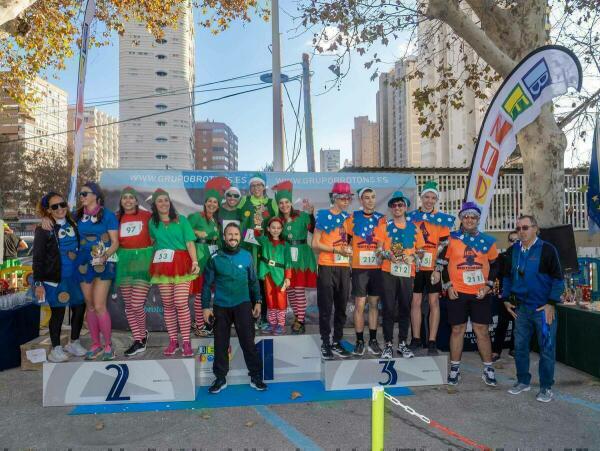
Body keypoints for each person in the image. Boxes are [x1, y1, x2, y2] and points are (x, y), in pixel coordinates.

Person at [433, 202, 499, 386]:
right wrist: (447, 285)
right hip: (458, 292)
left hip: (480, 293)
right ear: (461, 219)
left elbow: (496, 265)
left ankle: (488, 369)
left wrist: (488, 286)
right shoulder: (452, 239)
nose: (469, 220)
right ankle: (455, 369)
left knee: (482, 331)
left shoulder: (487, 240)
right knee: (457, 330)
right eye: (466, 217)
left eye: (473, 217)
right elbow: (441, 263)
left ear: (478, 220)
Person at [502, 215, 564, 403]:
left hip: (542, 310)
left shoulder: (547, 249)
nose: (521, 231)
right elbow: (506, 277)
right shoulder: (514, 250)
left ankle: (546, 387)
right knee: (520, 347)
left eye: (525, 228)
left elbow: (558, 279)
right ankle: (523, 381)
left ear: (535, 229)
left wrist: (551, 303)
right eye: (518, 228)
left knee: (546, 348)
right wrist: (506, 299)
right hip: (521, 310)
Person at [202, 222, 267, 394]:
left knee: (248, 342)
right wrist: (205, 308)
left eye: (236, 235)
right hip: (221, 306)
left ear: (240, 237)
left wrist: (258, 301)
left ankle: (256, 376)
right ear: (224, 237)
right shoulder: (214, 258)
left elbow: (253, 282)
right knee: (220, 344)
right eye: (229, 234)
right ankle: (220, 378)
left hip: (243, 304)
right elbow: (207, 285)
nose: (233, 237)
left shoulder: (246, 256)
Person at [33, 191, 86, 362]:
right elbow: (38, 257)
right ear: (48, 210)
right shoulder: (44, 229)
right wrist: (38, 283)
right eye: (54, 206)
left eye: (62, 204)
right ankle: (56, 348)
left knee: (79, 308)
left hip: (75, 277)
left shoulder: (73, 222)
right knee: (58, 312)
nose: (60, 208)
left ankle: (74, 342)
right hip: (55, 278)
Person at [148, 188, 200, 357]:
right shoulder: (152, 223)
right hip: (162, 265)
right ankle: (173, 341)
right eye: (159, 201)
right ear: (155, 205)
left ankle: (186, 341)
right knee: (168, 304)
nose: (163, 203)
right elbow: (153, 242)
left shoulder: (182, 220)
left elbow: (190, 243)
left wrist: (195, 262)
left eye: (166, 200)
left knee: (180, 302)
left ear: (170, 203)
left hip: (181, 264)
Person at [375, 191, 425, 359]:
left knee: (405, 308)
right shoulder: (383, 227)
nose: (397, 208)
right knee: (388, 308)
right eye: (394, 205)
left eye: (400, 205)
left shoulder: (415, 228)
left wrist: (413, 257)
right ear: (390, 208)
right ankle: (388, 344)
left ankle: (402, 343)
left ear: (405, 207)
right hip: (388, 272)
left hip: (407, 272)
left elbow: (421, 251)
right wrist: (388, 255)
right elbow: (378, 251)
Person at [407, 180, 455, 355]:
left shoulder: (441, 219)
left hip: (433, 267)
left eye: (432, 198)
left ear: (436, 200)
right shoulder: (410, 217)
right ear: (421, 198)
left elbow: (444, 245)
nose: (429, 200)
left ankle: (432, 340)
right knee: (416, 302)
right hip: (415, 266)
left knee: (434, 302)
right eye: (426, 197)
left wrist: (438, 268)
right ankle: (416, 339)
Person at [75, 182, 119, 361]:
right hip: (83, 263)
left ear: (96, 196)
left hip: (103, 263)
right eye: (80, 193)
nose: (82, 196)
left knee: (99, 305)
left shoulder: (107, 215)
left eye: (85, 193)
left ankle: (108, 345)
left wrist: (105, 256)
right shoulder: (76, 215)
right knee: (90, 305)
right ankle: (95, 345)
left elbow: (115, 242)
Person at [313, 182, 353, 359]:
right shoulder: (323, 216)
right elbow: (315, 244)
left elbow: (350, 241)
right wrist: (336, 250)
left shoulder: (349, 219)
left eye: (348, 198)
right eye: (343, 198)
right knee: (326, 307)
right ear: (334, 198)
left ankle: (337, 341)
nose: (346, 201)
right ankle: (325, 342)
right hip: (327, 265)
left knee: (342, 307)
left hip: (344, 267)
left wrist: (349, 250)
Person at [344, 187, 386, 356]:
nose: (370, 200)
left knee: (374, 304)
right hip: (360, 268)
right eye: (366, 198)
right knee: (360, 305)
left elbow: (383, 241)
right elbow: (345, 241)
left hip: (376, 267)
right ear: (361, 200)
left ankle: (373, 340)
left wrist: (381, 250)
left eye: (373, 197)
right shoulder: (352, 218)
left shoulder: (381, 219)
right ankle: (360, 340)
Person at [273, 181, 317, 334]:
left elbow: (313, 228)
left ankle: (301, 320)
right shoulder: (278, 221)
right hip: (286, 256)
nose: (284, 205)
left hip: (301, 255)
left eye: (286, 202)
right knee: (290, 289)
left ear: (291, 203)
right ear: (278, 205)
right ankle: (298, 317)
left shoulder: (301, 215)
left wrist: (311, 214)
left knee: (298, 289)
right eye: (281, 203)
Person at [188, 177, 229, 337]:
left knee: (205, 293)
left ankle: (200, 321)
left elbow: (218, 241)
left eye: (215, 202)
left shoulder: (216, 222)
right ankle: (200, 325)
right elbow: (185, 233)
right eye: (210, 201)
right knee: (199, 293)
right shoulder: (195, 216)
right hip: (199, 258)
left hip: (212, 259)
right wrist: (196, 232)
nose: (212, 204)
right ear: (205, 203)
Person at [115, 187, 153, 357]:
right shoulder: (117, 218)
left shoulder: (146, 216)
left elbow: (159, 229)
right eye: (125, 198)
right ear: (121, 201)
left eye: (131, 198)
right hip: (124, 262)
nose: (128, 200)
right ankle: (139, 339)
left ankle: (141, 337)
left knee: (137, 304)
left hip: (143, 262)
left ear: (137, 201)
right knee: (129, 305)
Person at [237, 173, 278, 330]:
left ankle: (265, 318)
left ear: (263, 187)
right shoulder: (244, 201)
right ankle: (250, 318)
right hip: (248, 247)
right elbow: (237, 218)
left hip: (265, 247)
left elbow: (276, 222)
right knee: (249, 282)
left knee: (263, 282)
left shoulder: (270, 202)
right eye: (253, 186)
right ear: (250, 188)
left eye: (259, 185)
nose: (256, 188)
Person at [254, 216, 292, 334]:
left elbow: (288, 262)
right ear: (268, 229)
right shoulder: (265, 240)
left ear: (282, 229)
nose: (276, 230)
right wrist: (257, 225)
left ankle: (280, 324)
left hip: (280, 275)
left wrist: (287, 277)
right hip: (267, 273)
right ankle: (272, 323)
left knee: (280, 299)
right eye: (273, 227)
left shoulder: (285, 245)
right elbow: (254, 237)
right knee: (270, 298)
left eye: (278, 228)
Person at [491, 230, 519, 362]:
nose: (514, 243)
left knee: (518, 324)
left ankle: (514, 349)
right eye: (512, 240)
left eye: (517, 240)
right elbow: (496, 274)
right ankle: (496, 351)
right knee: (502, 323)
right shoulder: (502, 257)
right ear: (508, 242)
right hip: (506, 294)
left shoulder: (525, 256)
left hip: (520, 295)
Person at [2, 223, 28, 288]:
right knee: (14, 278)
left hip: (4, 260)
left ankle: (5, 293)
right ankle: (13, 290)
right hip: (14, 259)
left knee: (3, 278)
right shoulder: (14, 236)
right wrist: (15, 249)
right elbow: (25, 246)